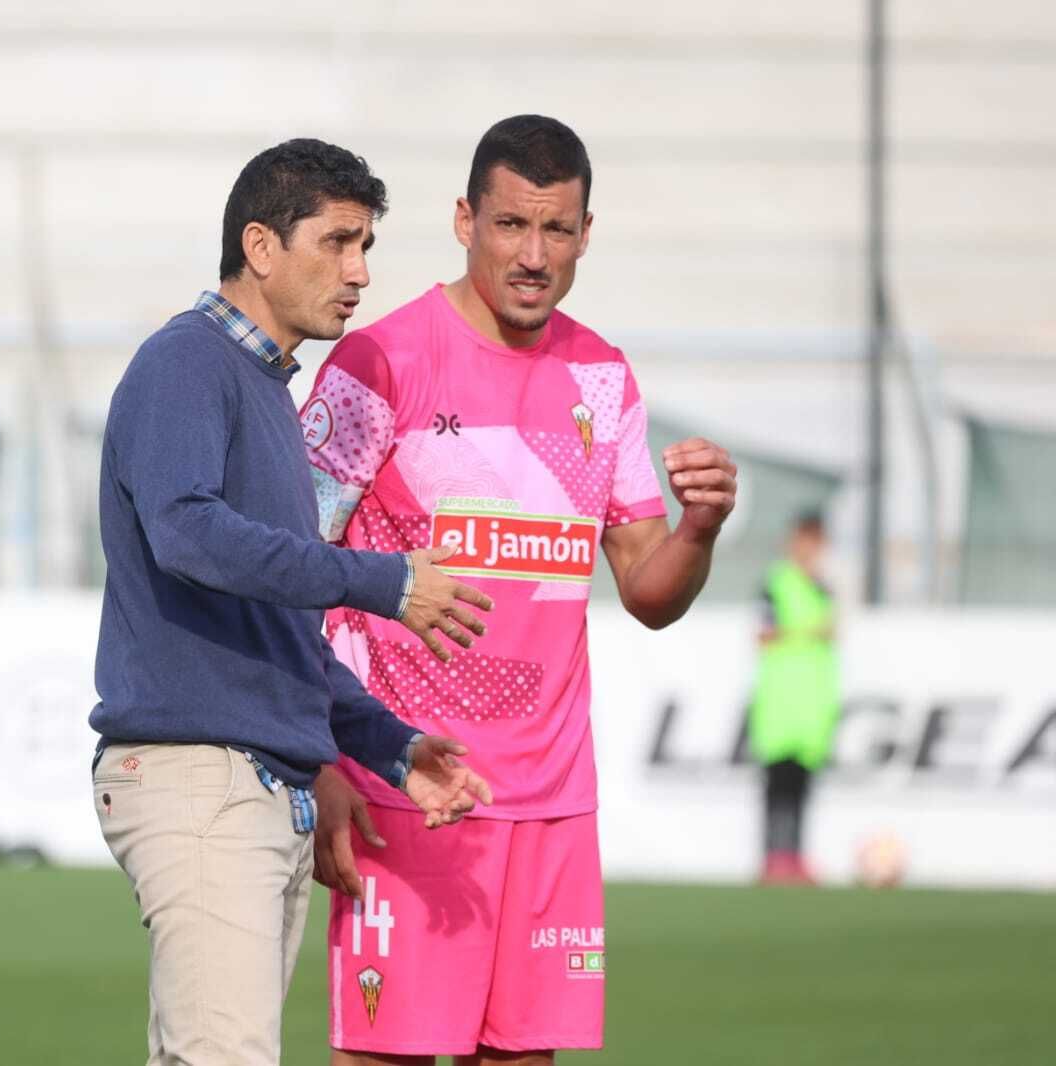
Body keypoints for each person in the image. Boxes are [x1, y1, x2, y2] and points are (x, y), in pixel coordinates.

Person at [301, 116, 738, 1064]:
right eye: (510, 226)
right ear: (464, 220)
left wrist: (700, 527)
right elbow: (288, 569)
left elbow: (650, 591)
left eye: (557, 230)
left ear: (587, 233)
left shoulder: (603, 378)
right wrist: (324, 761)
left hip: (550, 798)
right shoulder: (379, 364)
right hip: (407, 782)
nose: (533, 255)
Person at [90, 138, 496, 1066]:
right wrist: (381, 581)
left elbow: (277, 626)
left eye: (367, 247)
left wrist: (385, 743)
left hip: (257, 786)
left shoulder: (266, 389)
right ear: (262, 246)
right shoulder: (187, 363)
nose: (359, 273)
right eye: (338, 242)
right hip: (201, 780)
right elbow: (187, 534)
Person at [749, 510, 840, 886]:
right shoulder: (776, 583)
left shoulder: (824, 588)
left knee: (802, 786)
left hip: (812, 704)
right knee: (777, 785)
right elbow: (765, 635)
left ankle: (796, 855)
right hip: (780, 700)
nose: (809, 549)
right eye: (804, 539)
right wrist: (806, 631)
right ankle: (773, 857)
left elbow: (834, 635)